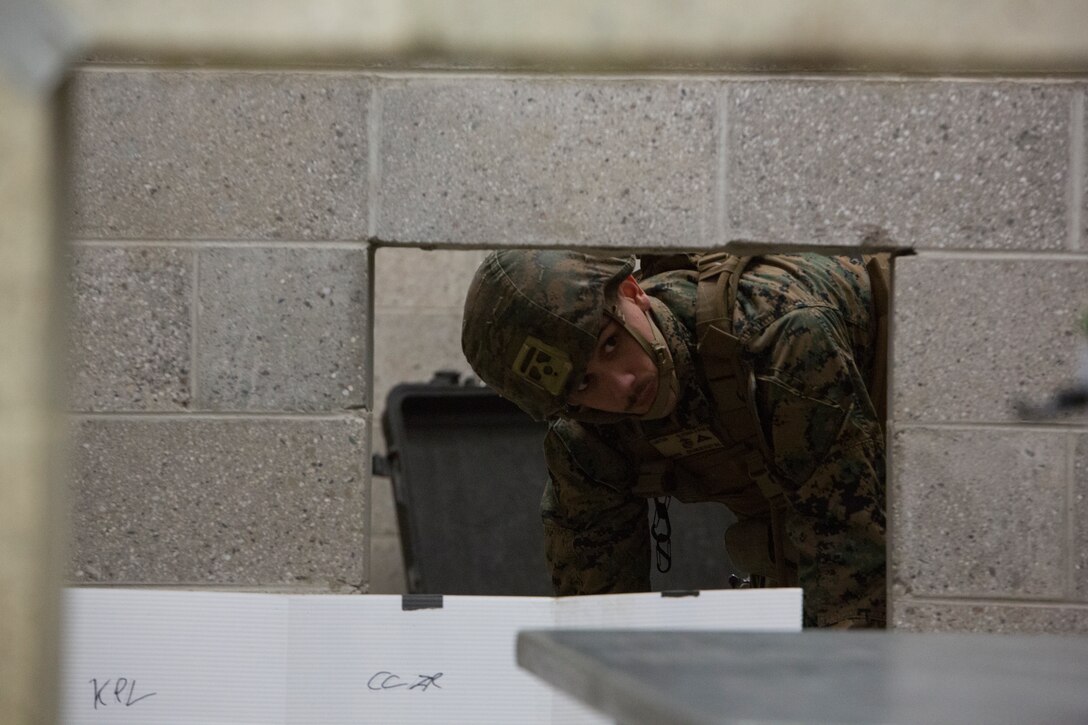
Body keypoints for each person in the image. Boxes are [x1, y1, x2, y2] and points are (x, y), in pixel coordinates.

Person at [460, 249, 889, 628]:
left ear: (632, 293)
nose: (622, 385)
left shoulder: (777, 335)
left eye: (610, 345)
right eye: (585, 384)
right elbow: (594, 612)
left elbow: (848, 546)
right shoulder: (587, 433)